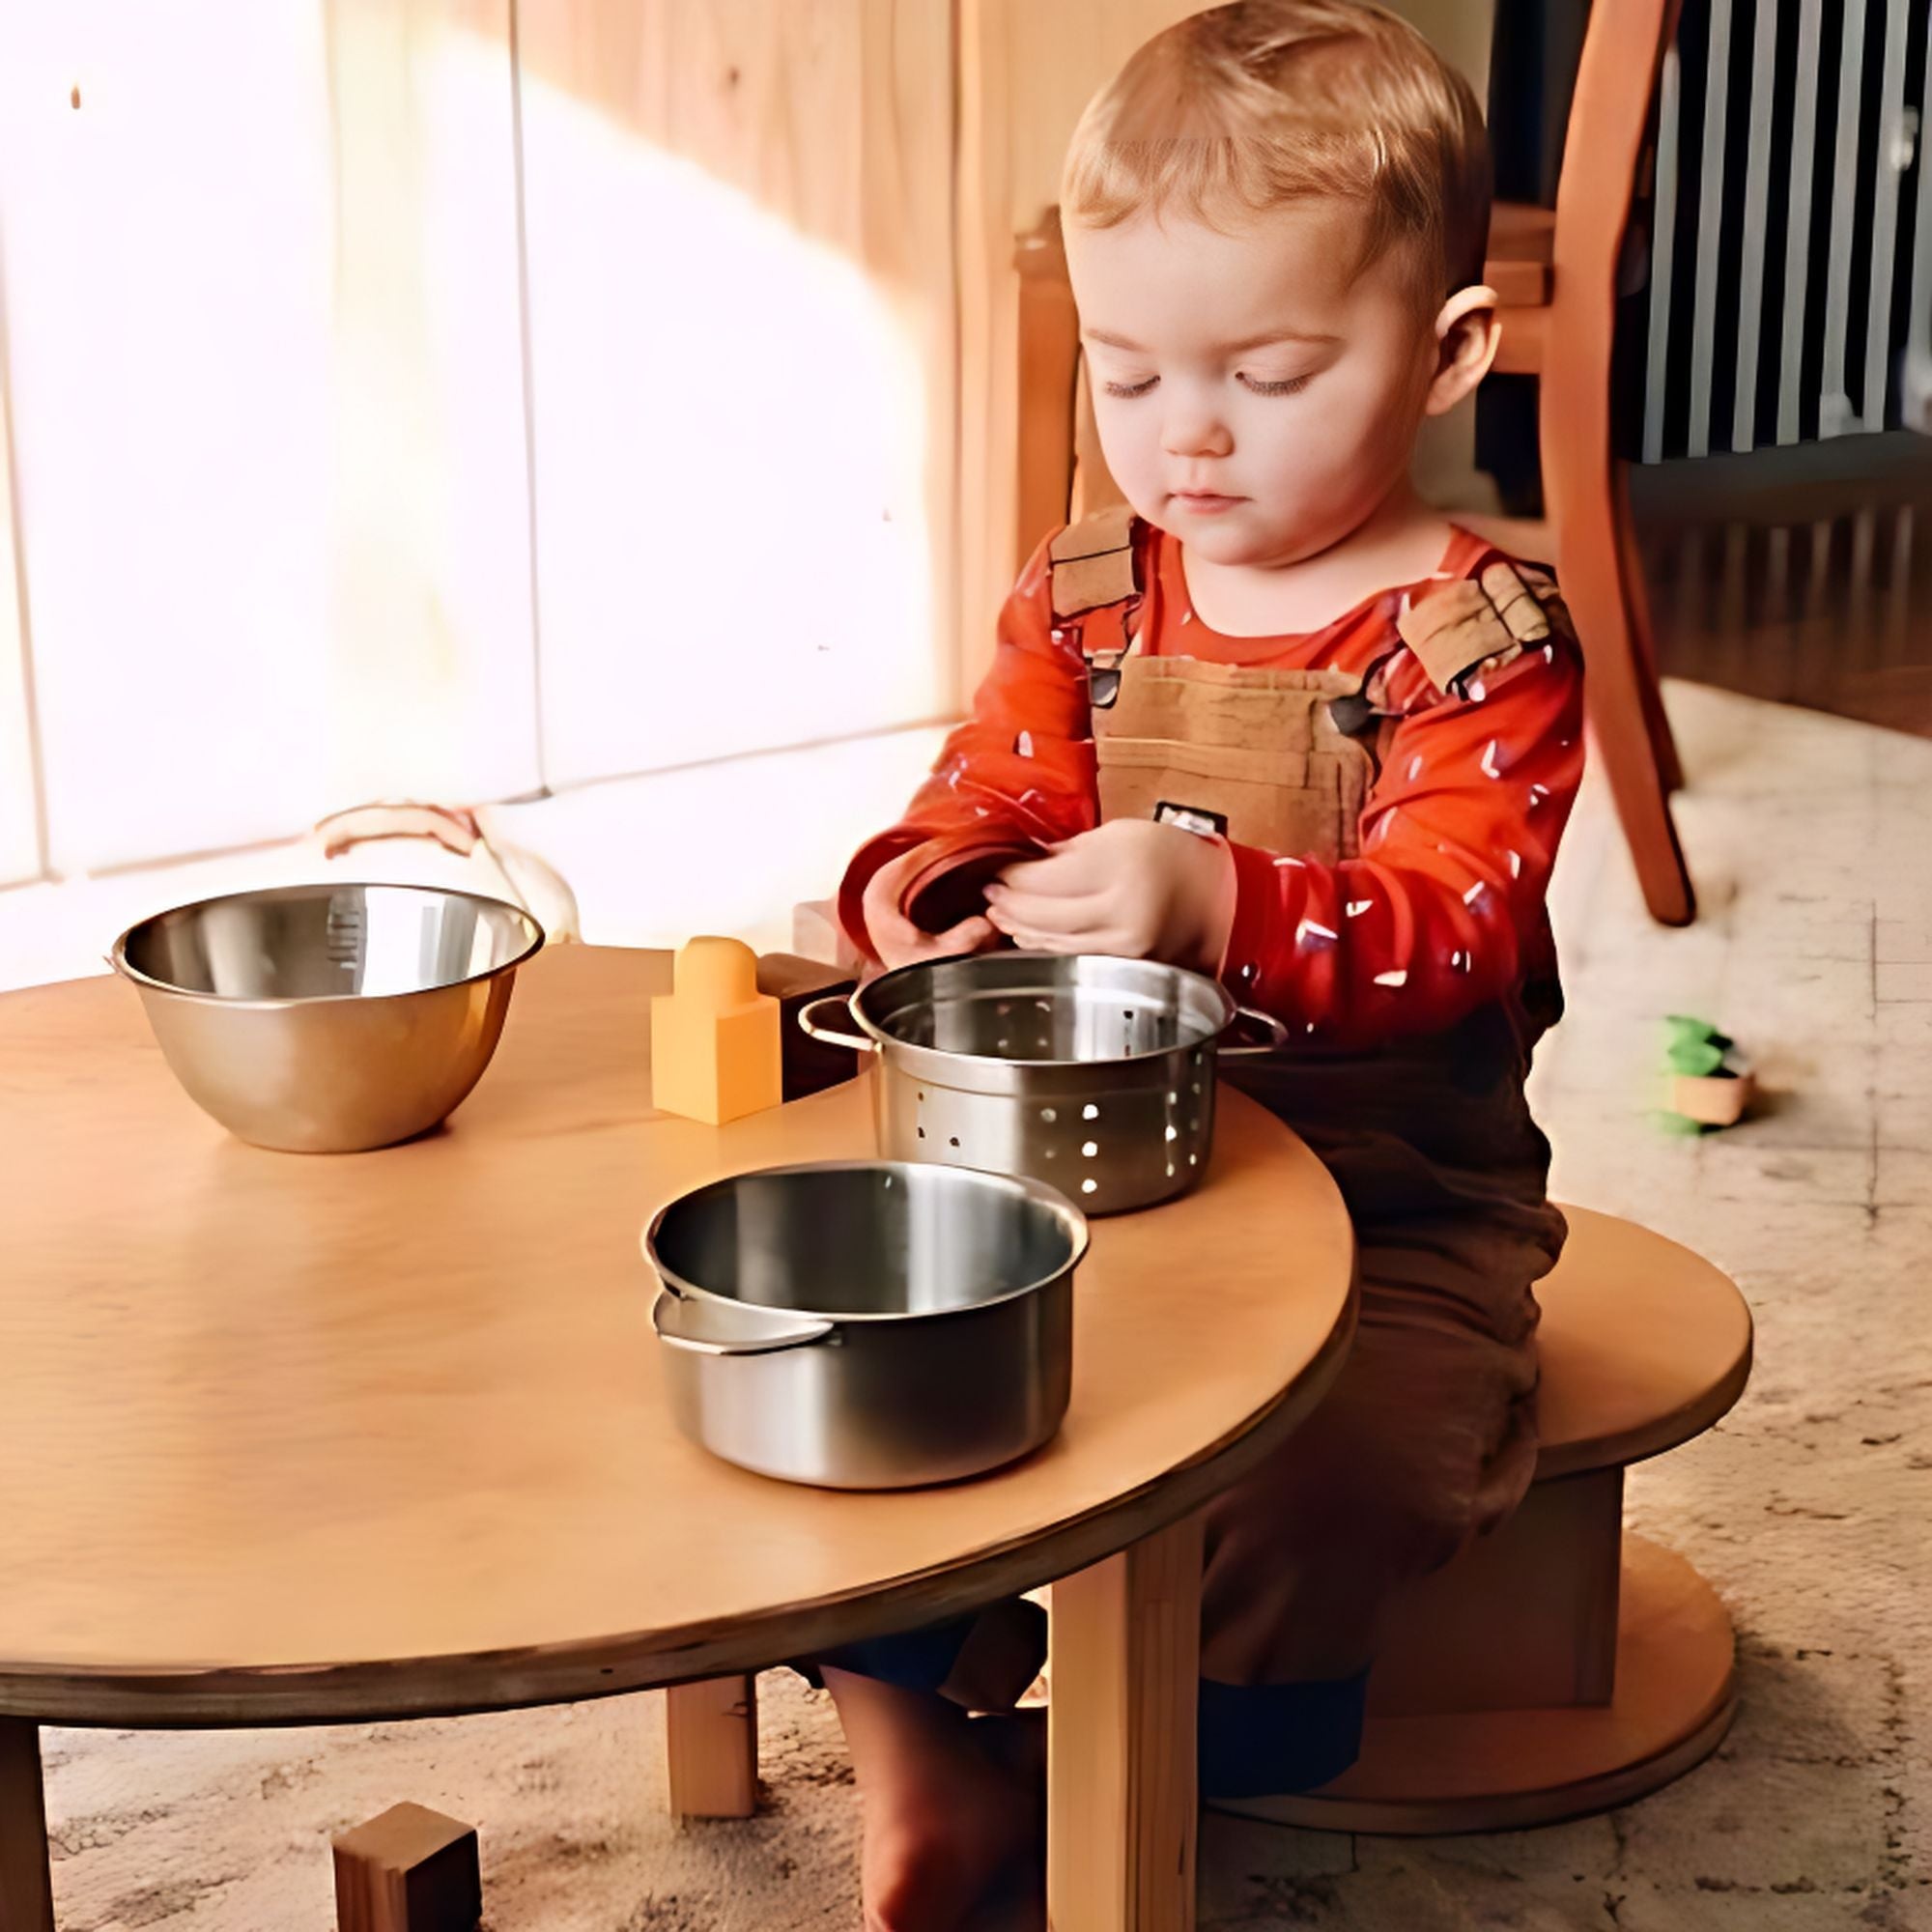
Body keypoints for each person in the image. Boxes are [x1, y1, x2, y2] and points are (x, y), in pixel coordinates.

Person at [822, 5, 1583, 1925]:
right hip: (1080, 1184)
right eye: (1131, 369)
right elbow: (968, 799)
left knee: (1331, 1486)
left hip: (1387, 1206)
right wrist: (937, 892)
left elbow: (1459, 918)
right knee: (846, 1380)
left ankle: (1075, 1769)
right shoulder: (1085, 595)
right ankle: (922, 1750)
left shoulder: (1470, 639)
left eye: (1266, 369)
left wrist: (1218, 895)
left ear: (1445, 355)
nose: (1189, 431)